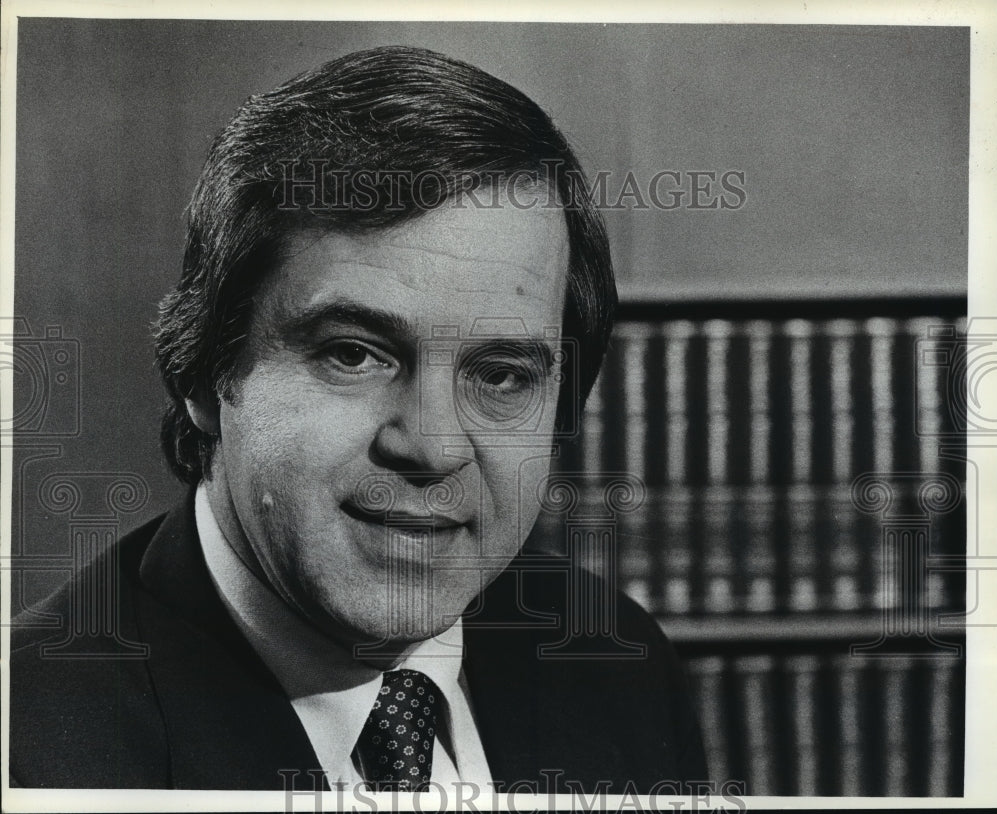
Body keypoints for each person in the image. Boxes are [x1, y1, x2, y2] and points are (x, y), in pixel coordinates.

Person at [9, 45, 706, 795]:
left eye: (501, 375)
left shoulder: (617, 660)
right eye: (354, 354)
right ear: (208, 375)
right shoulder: (29, 742)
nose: (434, 445)